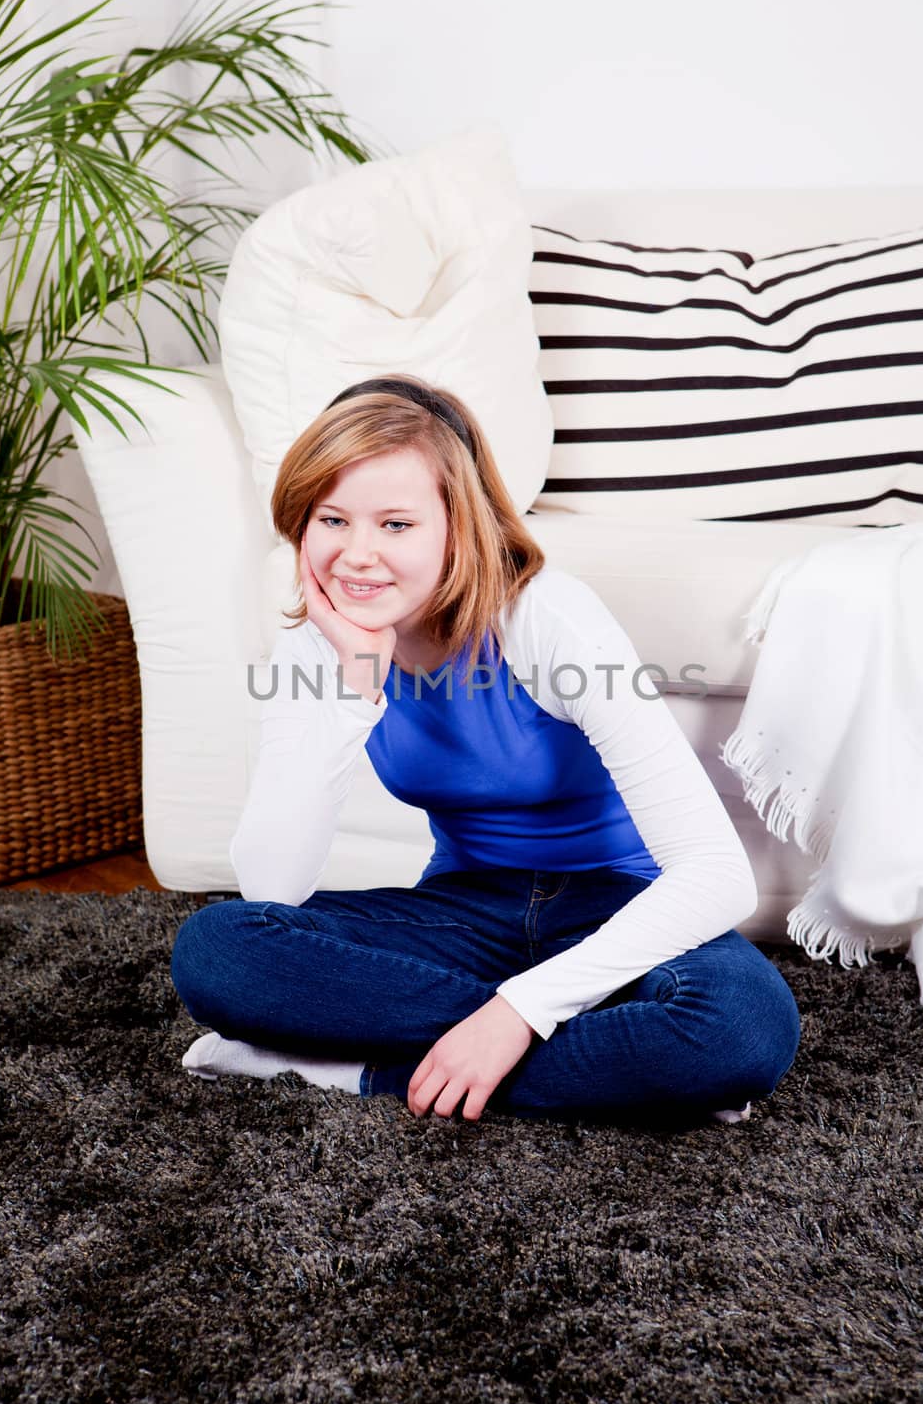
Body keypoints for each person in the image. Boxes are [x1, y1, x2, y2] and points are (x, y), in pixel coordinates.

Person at [170, 374, 801, 1127]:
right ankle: (615, 1066)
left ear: (457, 525)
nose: (357, 556)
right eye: (331, 519)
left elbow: (716, 875)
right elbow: (271, 886)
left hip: (620, 901)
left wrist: (519, 1013)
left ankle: (350, 1071)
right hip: (464, 914)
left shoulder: (544, 618)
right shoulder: (319, 645)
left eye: (395, 525)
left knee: (734, 1029)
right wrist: (350, 686)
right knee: (218, 950)